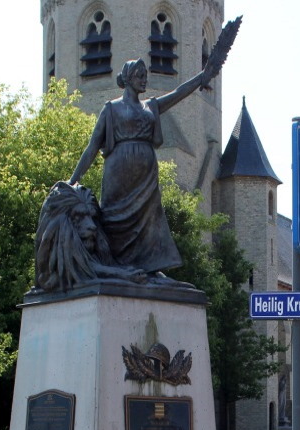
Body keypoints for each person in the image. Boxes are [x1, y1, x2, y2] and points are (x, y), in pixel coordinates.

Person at [68, 59, 216, 275]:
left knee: (150, 221)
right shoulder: (111, 109)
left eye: (145, 74)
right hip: (118, 172)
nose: (144, 79)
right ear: (128, 78)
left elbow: (178, 93)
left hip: (146, 175)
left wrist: (201, 78)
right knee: (111, 217)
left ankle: (148, 267)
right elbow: (92, 147)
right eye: (140, 75)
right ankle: (112, 265)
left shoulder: (151, 106)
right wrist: (73, 180)